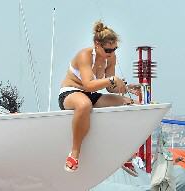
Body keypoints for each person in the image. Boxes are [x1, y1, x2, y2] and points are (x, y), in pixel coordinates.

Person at [58, 21, 140, 172]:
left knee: (130, 104)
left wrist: (124, 87)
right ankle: (74, 153)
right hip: (70, 93)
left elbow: (109, 87)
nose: (111, 52)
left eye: (115, 49)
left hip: (91, 95)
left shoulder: (111, 58)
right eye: (108, 49)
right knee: (84, 105)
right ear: (97, 44)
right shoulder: (85, 55)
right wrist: (112, 79)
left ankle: (123, 154)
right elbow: (88, 84)